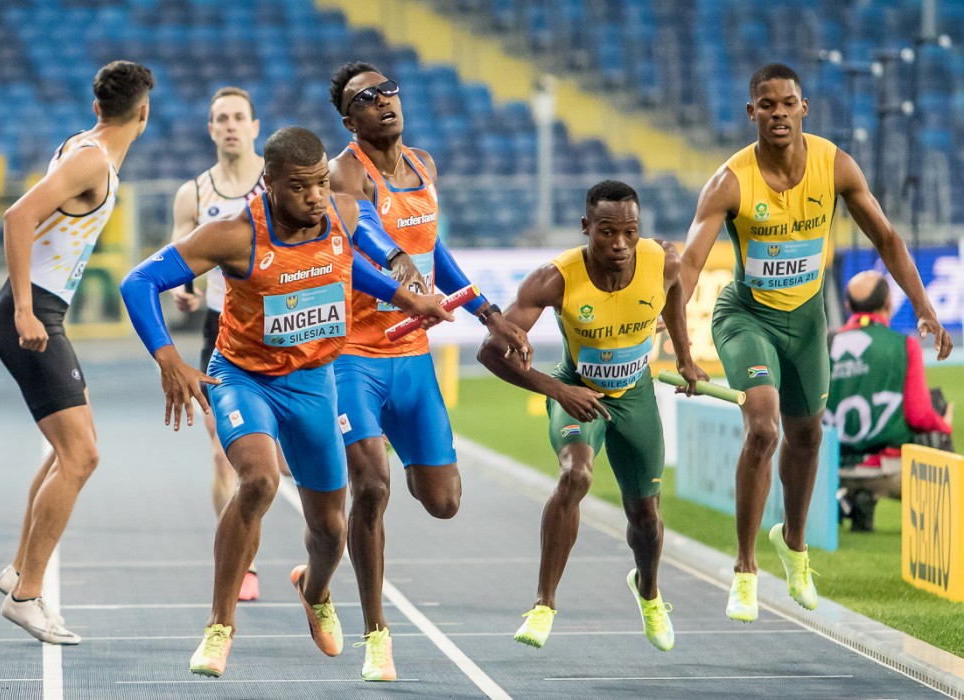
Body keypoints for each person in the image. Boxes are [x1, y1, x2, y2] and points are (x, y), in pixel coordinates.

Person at [120, 126, 454, 679]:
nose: (316, 196)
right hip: (243, 379)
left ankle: (314, 590)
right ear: (269, 183)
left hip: (314, 383)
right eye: (300, 187)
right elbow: (139, 282)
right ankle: (219, 627)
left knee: (331, 530)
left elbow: (348, 266)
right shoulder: (233, 236)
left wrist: (405, 296)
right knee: (259, 480)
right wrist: (168, 359)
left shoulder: (343, 212)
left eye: (321, 182)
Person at [678, 63, 952, 623]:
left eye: (788, 103)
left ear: (804, 108)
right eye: (767, 105)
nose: (778, 113)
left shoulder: (836, 166)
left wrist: (924, 306)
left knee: (806, 437)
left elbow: (888, 237)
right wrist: (670, 319)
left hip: (806, 323)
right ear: (752, 112)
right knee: (763, 427)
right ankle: (745, 570)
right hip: (747, 318)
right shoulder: (729, 182)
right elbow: (689, 264)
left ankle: (794, 547)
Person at [327, 61, 532, 681]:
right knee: (372, 487)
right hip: (355, 354)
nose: (384, 100)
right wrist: (400, 271)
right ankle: (376, 634)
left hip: (411, 357)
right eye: (367, 97)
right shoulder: (344, 173)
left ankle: (327, 561)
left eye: (388, 90)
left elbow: (434, 249)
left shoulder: (423, 165)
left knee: (443, 503)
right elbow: (359, 236)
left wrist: (488, 313)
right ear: (350, 120)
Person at [479, 180, 705, 652]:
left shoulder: (663, 260)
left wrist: (685, 357)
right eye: (607, 232)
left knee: (645, 516)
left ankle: (649, 592)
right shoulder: (554, 280)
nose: (620, 244)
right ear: (586, 227)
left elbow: (675, 295)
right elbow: (490, 352)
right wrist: (559, 390)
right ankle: (543, 605)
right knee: (575, 475)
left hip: (635, 396)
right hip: (578, 391)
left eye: (629, 232)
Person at [0, 60, 153, 644]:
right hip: (32, 312)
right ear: (144, 113)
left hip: (40, 309)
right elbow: (17, 216)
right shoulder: (92, 160)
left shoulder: (84, 147)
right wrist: (24, 309)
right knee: (81, 456)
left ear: (96, 107)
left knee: (71, 450)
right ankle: (27, 595)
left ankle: (18, 571)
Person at [169, 86, 270, 601]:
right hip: (221, 331)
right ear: (211, 130)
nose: (230, 125)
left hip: (278, 328)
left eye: (238, 117)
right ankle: (243, 565)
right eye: (221, 119)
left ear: (254, 127)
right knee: (222, 453)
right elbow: (179, 254)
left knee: (284, 457)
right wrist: (183, 289)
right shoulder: (193, 194)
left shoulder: (276, 183)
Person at [826, 270, 954, 531]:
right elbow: (919, 416)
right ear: (889, 303)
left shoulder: (824, 344)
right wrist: (944, 424)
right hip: (887, 470)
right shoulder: (904, 345)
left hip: (829, 470)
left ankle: (852, 498)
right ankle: (934, 524)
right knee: (935, 409)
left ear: (848, 305)